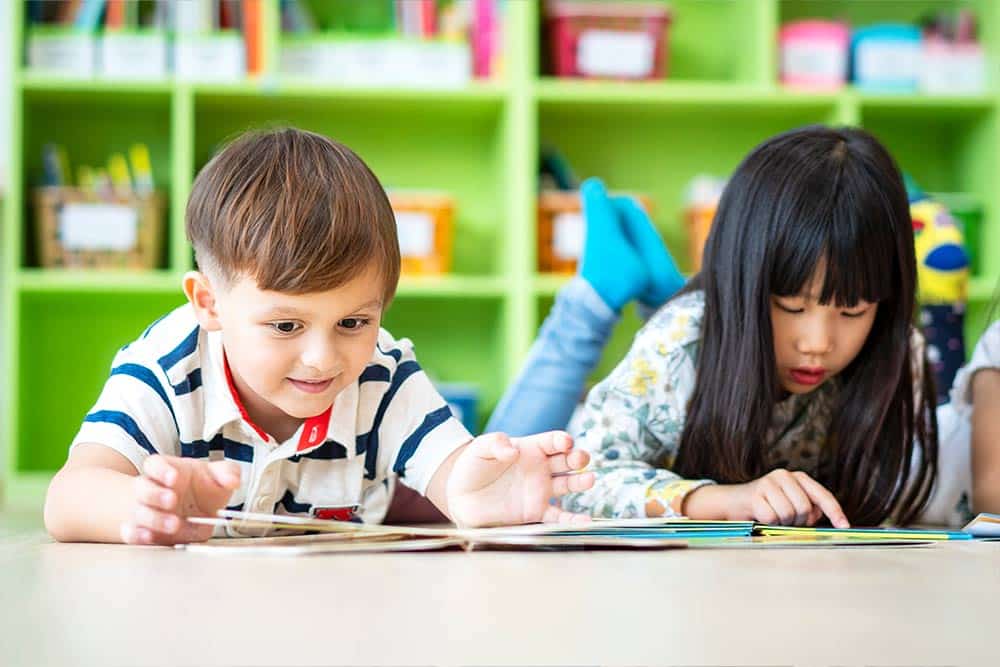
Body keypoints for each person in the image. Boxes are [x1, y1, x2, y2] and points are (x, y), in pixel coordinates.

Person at [43, 128, 594, 545]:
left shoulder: (383, 372)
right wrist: (141, 505)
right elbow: (68, 496)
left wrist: (465, 492)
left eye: (353, 322)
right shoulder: (164, 369)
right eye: (286, 325)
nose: (322, 357)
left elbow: (452, 469)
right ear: (208, 303)